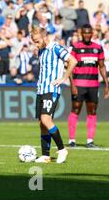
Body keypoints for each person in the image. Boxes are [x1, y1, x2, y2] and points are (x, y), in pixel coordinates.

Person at [30, 27, 77, 164]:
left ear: (44, 37)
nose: (36, 45)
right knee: (42, 123)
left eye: (37, 41)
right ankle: (45, 155)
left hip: (51, 89)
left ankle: (62, 150)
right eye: (34, 42)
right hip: (41, 90)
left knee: (46, 119)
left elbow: (72, 61)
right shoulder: (41, 50)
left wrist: (64, 78)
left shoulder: (56, 47)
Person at [68, 24, 109, 148]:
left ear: (92, 34)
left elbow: (102, 67)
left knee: (92, 111)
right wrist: (72, 85)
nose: (87, 35)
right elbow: (70, 66)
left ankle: (90, 141)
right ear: (81, 34)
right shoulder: (75, 47)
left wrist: (106, 84)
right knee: (75, 110)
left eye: (89, 33)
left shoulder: (98, 48)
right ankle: (71, 140)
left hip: (93, 85)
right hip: (79, 84)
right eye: (84, 33)